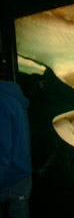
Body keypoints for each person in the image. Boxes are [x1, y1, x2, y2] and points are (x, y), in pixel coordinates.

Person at [0, 56, 32, 218]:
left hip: (7, 180)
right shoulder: (15, 97)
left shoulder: (2, 101)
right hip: (22, 177)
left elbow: (2, 151)